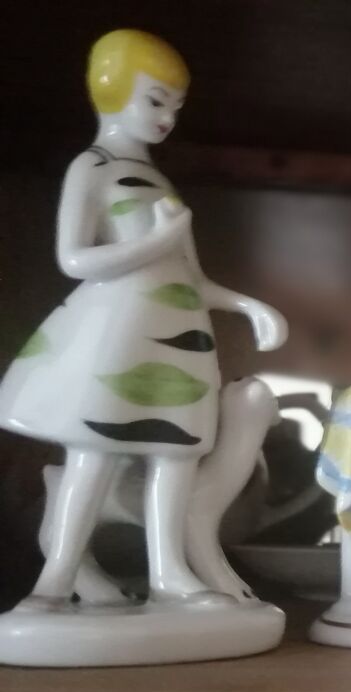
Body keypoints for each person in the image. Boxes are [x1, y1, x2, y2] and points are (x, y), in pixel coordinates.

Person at [0, 30, 286, 609]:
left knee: (176, 454)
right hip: (120, 332)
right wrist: (155, 242)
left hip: (179, 336)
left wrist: (249, 306)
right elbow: (74, 259)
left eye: (175, 106)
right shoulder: (93, 166)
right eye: (155, 100)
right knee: (95, 452)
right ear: (112, 88)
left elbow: (193, 278)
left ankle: (170, 575)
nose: (166, 118)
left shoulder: (161, 180)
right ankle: (54, 581)